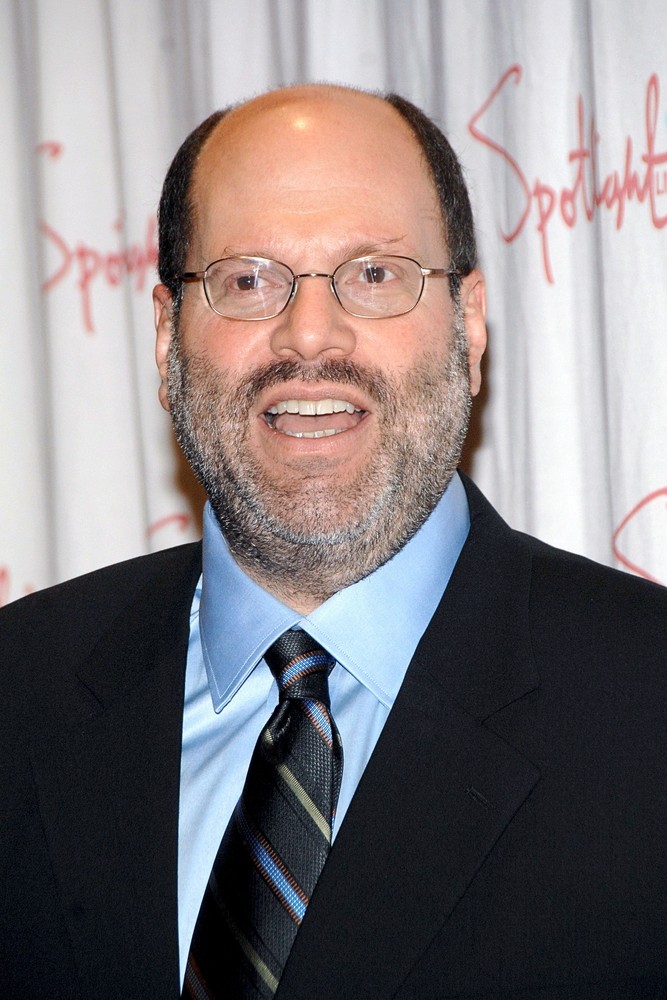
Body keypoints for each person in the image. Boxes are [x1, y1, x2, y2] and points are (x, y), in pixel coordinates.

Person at [1, 83, 665, 1000]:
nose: (309, 334)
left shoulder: (647, 705)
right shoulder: (19, 691)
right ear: (165, 339)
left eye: (375, 274)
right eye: (247, 280)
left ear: (469, 326)